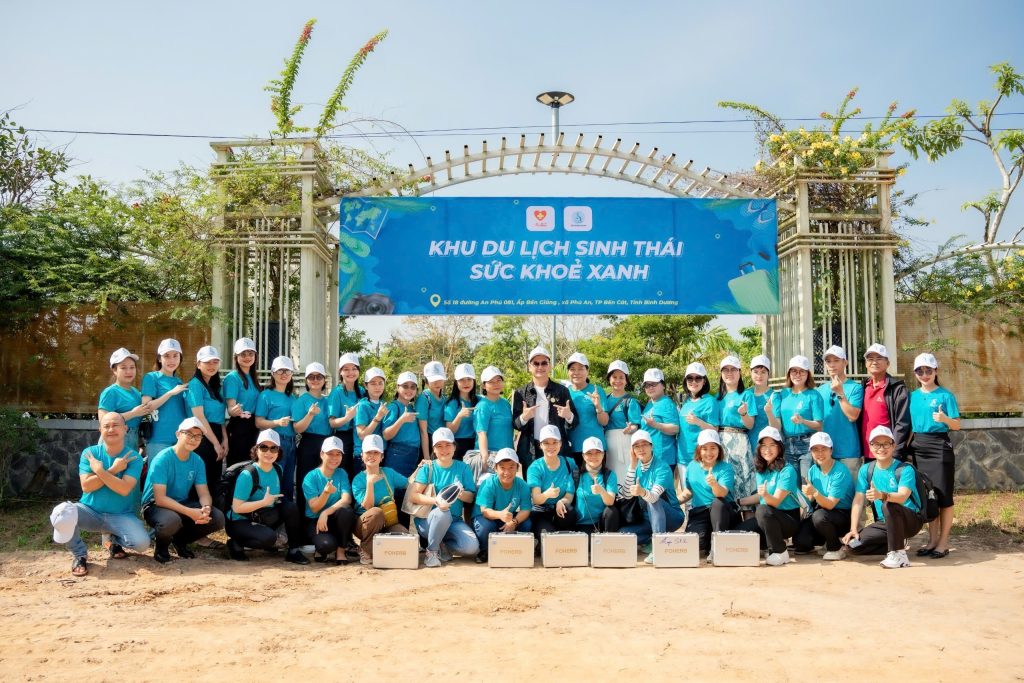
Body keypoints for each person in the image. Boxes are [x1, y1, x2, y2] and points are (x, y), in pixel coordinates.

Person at [54, 412, 150, 576]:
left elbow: (124, 488)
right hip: (90, 512)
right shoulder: (90, 453)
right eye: (106, 426)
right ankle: (79, 554)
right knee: (62, 512)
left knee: (142, 543)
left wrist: (99, 471)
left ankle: (112, 541)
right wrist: (112, 470)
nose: (111, 429)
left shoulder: (133, 457)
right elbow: (87, 486)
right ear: (100, 430)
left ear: (125, 429)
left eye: (115, 425)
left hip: (120, 515)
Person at [141, 417, 226, 563]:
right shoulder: (163, 459)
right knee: (171, 520)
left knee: (217, 518)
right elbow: (160, 499)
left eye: (198, 436)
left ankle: (180, 540)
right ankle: (161, 547)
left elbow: (204, 493)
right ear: (178, 434)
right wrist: (190, 512)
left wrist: (206, 507)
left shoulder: (197, 460)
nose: (193, 439)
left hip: (182, 502)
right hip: (155, 505)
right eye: (189, 434)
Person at [225, 429, 310, 565]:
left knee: (290, 507)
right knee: (269, 539)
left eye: (273, 448)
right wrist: (263, 502)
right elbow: (237, 507)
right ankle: (236, 542)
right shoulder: (248, 474)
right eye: (263, 447)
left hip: (263, 515)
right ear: (256, 450)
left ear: (279, 451)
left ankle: (293, 551)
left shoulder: (277, 469)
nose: (268, 452)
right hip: (240, 520)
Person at [843, 426, 924, 569]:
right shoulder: (866, 470)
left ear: (893, 446)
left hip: (909, 521)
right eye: (876, 444)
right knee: (852, 546)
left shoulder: (905, 469)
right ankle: (897, 543)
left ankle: (899, 555)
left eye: (886, 444)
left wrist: (882, 495)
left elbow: (902, 497)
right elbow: (858, 500)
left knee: (889, 504)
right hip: (884, 523)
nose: (881, 448)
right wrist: (853, 529)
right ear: (870, 447)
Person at [909, 353, 960, 559]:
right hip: (918, 447)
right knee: (929, 495)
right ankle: (931, 541)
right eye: (920, 371)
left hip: (939, 446)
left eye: (928, 370)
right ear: (915, 373)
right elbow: (909, 426)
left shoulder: (946, 396)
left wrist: (944, 418)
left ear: (936, 371)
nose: (924, 374)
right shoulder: (912, 396)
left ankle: (943, 542)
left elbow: (957, 425)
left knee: (943, 496)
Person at [408, 428, 479, 568]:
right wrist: (436, 501)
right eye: (439, 446)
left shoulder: (463, 468)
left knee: (472, 547)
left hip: (454, 521)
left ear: (454, 447)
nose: (444, 449)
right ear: (434, 449)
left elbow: (470, 498)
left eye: (448, 445)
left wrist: (460, 493)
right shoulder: (428, 468)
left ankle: (443, 545)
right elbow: (413, 496)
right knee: (443, 511)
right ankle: (432, 552)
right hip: (427, 521)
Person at [736, 426, 801, 567]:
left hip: (788, 520)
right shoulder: (762, 468)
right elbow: (761, 495)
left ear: (779, 448)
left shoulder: (787, 470)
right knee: (739, 532)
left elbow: (775, 501)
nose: (767, 449)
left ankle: (780, 552)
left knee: (762, 509)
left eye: (772, 445)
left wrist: (765, 495)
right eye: (764, 446)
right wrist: (738, 502)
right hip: (768, 517)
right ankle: (767, 545)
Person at [619, 430, 684, 564]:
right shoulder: (636, 468)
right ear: (632, 450)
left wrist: (642, 492)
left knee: (652, 501)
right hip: (648, 520)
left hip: (672, 517)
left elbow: (654, 498)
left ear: (651, 446)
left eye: (644, 444)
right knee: (622, 534)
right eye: (636, 446)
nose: (641, 449)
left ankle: (659, 547)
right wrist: (632, 465)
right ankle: (651, 540)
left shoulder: (662, 467)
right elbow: (626, 495)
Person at [792, 432, 855, 560]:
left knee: (819, 516)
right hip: (822, 512)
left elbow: (830, 504)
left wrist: (815, 492)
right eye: (815, 450)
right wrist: (804, 496)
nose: (820, 453)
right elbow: (810, 500)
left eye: (824, 449)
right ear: (811, 452)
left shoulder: (840, 471)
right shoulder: (812, 470)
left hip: (842, 514)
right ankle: (825, 541)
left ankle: (835, 548)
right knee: (801, 542)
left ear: (831, 450)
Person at [512, 346, 577, 469]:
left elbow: (575, 421)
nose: (540, 367)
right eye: (536, 363)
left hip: (556, 449)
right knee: (532, 481)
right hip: (530, 450)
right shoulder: (520, 393)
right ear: (529, 366)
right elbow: (515, 424)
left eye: (544, 363)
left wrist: (569, 416)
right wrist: (523, 418)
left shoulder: (562, 391)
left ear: (549, 366)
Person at [351, 434, 409, 566]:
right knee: (376, 512)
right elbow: (368, 506)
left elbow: (409, 484)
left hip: (387, 523)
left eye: (376, 452)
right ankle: (366, 550)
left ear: (382, 456)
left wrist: (421, 470)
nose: (372, 456)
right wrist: (370, 483)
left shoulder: (388, 473)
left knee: (405, 536)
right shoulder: (358, 480)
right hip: (364, 525)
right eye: (368, 452)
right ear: (362, 455)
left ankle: (381, 549)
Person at [680, 429, 738, 559]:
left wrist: (714, 484)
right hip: (700, 512)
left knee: (717, 502)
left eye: (713, 448)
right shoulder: (691, 466)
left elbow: (721, 494)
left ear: (719, 449)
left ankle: (717, 547)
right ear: (699, 450)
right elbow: (689, 491)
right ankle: (709, 543)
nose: (709, 453)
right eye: (704, 448)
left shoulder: (726, 468)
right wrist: (674, 501)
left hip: (722, 512)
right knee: (695, 545)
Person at [766, 355, 823, 481]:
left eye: (802, 371)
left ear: (807, 374)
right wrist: (769, 412)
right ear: (789, 374)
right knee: (791, 483)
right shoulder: (782, 394)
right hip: (787, 444)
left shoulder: (814, 395)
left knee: (806, 482)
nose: (798, 375)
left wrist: (803, 421)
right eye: (794, 371)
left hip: (807, 444)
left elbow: (819, 425)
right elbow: (777, 427)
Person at [301, 435, 357, 565]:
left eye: (338, 454)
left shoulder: (341, 473)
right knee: (326, 545)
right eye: (330, 453)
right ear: (322, 454)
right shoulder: (311, 477)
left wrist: (326, 512)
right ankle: (324, 548)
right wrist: (325, 493)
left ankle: (341, 551)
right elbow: (314, 507)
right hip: (315, 520)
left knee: (347, 511)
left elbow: (347, 499)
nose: (334, 458)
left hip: (332, 518)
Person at [472, 448, 533, 563]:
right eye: (502, 468)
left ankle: (515, 548)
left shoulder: (522, 485)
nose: (507, 472)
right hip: (486, 517)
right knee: (486, 527)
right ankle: (485, 550)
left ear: (517, 468)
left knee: (526, 523)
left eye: (511, 467)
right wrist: (500, 514)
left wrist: (514, 522)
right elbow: (485, 511)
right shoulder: (488, 484)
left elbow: (526, 509)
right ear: (495, 468)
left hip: (507, 518)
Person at [858, 343, 911, 463]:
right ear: (866, 364)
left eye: (879, 358)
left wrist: (894, 451)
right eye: (870, 359)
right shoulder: (863, 387)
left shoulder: (897, 389)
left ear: (887, 363)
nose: (874, 362)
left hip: (887, 451)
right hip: (868, 451)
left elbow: (902, 423)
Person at [186, 346, 228, 495]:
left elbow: (220, 417)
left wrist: (224, 439)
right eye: (207, 362)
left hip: (216, 433)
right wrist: (216, 443)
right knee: (201, 478)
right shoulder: (195, 385)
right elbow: (199, 416)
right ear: (198, 364)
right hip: (201, 435)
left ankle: (212, 508)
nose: (212, 366)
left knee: (214, 478)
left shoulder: (215, 386)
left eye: (215, 362)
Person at [254, 356, 297, 501]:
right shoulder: (265, 395)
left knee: (288, 483)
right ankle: (270, 510)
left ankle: (287, 510)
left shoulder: (292, 397)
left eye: (287, 371)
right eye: (280, 371)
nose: (284, 374)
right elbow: (258, 422)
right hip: (274, 444)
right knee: (274, 480)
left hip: (292, 442)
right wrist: (277, 422)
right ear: (272, 373)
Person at [817, 345, 864, 480]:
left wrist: (840, 392)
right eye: (828, 361)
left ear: (845, 362)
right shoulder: (820, 390)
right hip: (825, 451)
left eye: (836, 360)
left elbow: (853, 416)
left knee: (849, 490)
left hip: (848, 452)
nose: (832, 365)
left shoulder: (855, 388)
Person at [293, 362, 333, 519]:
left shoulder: (328, 401)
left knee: (324, 480)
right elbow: (298, 428)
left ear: (324, 380)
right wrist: (310, 414)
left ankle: (323, 518)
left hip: (327, 444)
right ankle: (304, 521)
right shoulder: (301, 400)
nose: (315, 380)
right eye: (311, 377)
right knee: (306, 480)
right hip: (309, 443)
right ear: (306, 380)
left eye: (319, 377)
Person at [716, 355, 757, 505]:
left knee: (743, 480)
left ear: (739, 372)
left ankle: (747, 516)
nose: (729, 373)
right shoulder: (717, 398)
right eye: (725, 370)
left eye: (733, 369)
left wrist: (743, 414)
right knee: (725, 479)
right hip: (720, 442)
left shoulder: (746, 395)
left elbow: (750, 425)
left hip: (740, 441)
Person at [527, 424, 580, 539]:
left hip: (560, 510)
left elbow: (570, 494)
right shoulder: (535, 468)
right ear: (540, 445)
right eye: (546, 443)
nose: (551, 446)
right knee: (547, 537)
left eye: (554, 442)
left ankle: (565, 537)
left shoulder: (569, 463)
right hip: (541, 512)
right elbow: (536, 499)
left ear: (560, 444)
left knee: (569, 511)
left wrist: (562, 501)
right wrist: (547, 494)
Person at [140, 338, 190, 457]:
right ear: (159, 358)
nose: (171, 360)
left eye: (175, 356)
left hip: (180, 439)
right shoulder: (151, 377)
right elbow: (145, 407)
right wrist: (170, 393)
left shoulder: (178, 381)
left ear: (180, 358)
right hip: (158, 440)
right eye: (166, 356)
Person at [98, 347, 150, 453]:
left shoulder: (136, 392)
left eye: (132, 367)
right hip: (114, 440)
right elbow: (103, 421)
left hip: (133, 441)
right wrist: (133, 413)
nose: (128, 371)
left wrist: (141, 444)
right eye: (123, 368)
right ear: (114, 370)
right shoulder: (110, 392)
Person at [222, 337, 262, 466]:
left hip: (253, 427)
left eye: (250, 354)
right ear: (236, 357)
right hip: (239, 427)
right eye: (243, 354)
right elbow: (231, 408)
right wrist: (234, 410)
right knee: (238, 467)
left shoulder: (253, 377)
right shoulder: (232, 378)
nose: (247, 357)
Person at [565, 352, 608, 467]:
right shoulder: (565, 392)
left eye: (581, 369)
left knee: (597, 478)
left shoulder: (597, 390)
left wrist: (598, 407)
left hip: (596, 449)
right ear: (568, 372)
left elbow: (604, 422)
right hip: (574, 447)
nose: (576, 372)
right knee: (576, 478)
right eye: (572, 369)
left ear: (587, 371)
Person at [602, 360, 642, 484]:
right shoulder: (604, 399)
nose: (617, 380)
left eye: (621, 377)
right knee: (611, 473)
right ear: (609, 379)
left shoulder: (630, 401)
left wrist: (631, 429)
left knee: (626, 473)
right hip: (607, 442)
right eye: (614, 377)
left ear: (626, 380)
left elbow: (635, 424)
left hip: (625, 440)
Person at [471, 366, 513, 479]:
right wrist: (484, 458)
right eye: (491, 382)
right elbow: (481, 433)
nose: (496, 384)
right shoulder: (482, 406)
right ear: (484, 385)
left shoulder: (505, 403)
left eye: (498, 380)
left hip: (507, 455)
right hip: (491, 456)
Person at [328, 352, 365, 479]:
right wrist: (347, 417)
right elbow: (332, 423)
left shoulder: (362, 391)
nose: (351, 372)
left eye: (354, 368)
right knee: (344, 473)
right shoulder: (336, 393)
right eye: (346, 369)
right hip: (343, 438)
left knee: (358, 474)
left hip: (360, 437)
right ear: (340, 372)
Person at [676, 362, 719, 469]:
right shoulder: (686, 402)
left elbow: (715, 430)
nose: (693, 382)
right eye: (690, 378)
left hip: (700, 458)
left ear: (704, 381)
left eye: (698, 378)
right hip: (682, 457)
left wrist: (698, 422)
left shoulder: (710, 401)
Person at [574, 436, 620, 534]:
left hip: (601, 523)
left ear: (603, 454)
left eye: (597, 452)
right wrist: (562, 501)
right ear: (583, 456)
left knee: (611, 511)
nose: (593, 456)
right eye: (589, 453)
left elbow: (610, 502)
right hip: (581, 524)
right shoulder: (576, 475)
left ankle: (609, 539)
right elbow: (568, 497)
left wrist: (601, 491)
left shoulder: (609, 475)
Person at [382, 371, 422, 478]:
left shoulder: (411, 407)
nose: (409, 390)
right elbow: (386, 435)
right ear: (397, 387)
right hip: (398, 454)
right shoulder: (393, 407)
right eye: (405, 386)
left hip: (414, 453)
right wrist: (401, 420)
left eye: (413, 387)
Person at [639, 368, 680, 470]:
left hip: (664, 458)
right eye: (647, 385)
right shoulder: (650, 403)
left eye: (653, 384)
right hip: (649, 457)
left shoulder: (666, 403)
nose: (650, 388)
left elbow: (675, 428)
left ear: (663, 385)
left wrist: (656, 425)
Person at [354, 367, 388, 472]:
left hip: (380, 454)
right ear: (366, 386)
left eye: (380, 383)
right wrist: (377, 418)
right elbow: (361, 434)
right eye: (373, 383)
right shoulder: (363, 405)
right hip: (364, 455)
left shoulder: (384, 404)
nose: (377, 387)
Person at [444, 362, 479, 460]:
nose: (466, 383)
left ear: (474, 381)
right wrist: (459, 416)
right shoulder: (452, 403)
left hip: (476, 444)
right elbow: (449, 431)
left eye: (469, 379)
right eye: (462, 380)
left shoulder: (480, 401)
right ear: (456, 382)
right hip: (458, 446)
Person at [744, 355, 776, 457]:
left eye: (763, 372)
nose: (759, 375)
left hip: (767, 448)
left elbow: (776, 427)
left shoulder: (774, 396)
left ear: (768, 374)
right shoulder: (746, 394)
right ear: (751, 373)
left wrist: (769, 412)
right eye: (756, 372)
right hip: (747, 446)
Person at [417, 361, 449, 461]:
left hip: (443, 441)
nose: (437, 383)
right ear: (426, 381)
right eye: (433, 380)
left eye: (440, 379)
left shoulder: (444, 398)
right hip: (429, 442)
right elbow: (423, 431)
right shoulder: (424, 398)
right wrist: (427, 458)